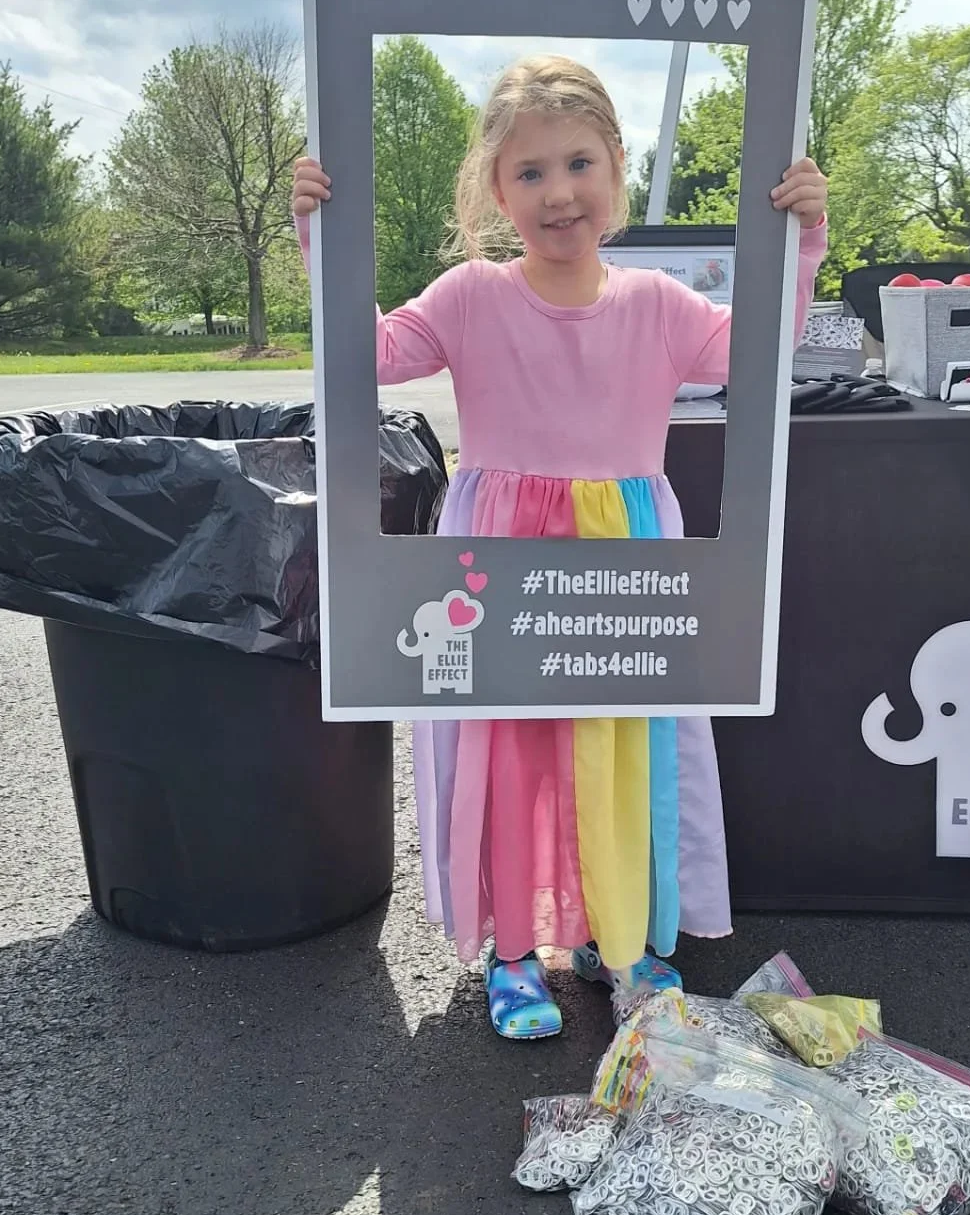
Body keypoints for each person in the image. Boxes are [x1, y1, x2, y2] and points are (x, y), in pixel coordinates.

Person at [292, 54, 828, 1040]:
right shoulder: (470, 295)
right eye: (529, 172)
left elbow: (760, 351)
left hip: (624, 565)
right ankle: (512, 952)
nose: (558, 192)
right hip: (499, 563)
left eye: (579, 162)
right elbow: (372, 354)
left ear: (617, 166)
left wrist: (800, 243)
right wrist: (320, 239)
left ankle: (619, 939)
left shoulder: (658, 303)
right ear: (497, 191)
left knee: (620, 751)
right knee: (510, 755)